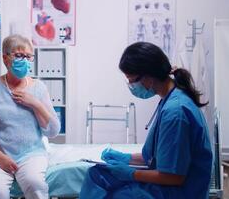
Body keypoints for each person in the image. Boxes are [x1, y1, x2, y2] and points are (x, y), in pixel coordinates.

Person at [80, 42, 213, 199]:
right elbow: (160, 156)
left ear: (149, 76)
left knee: (110, 190)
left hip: (179, 192)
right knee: (97, 174)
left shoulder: (175, 112)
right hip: (169, 187)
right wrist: (125, 158)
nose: (131, 85)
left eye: (132, 80)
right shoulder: (171, 100)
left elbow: (174, 177)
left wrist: (132, 174)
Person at [0, 34, 61, 199]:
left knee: (36, 185)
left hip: (30, 154)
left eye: (28, 56)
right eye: (19, 55)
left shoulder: (39, 88)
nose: (24, 60)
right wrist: (0, 158)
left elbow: (53, 131)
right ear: (6, 59)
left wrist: (35, 103)